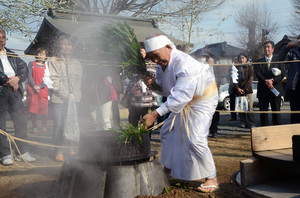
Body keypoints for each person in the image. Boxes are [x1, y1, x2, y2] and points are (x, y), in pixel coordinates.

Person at [141, 34, 219, 193]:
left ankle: (212, 177)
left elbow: (180, 96)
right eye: (151, 58)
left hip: (202, 99)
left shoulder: (184, 63)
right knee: (167, 131)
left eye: (156, 55)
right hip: (184, 99)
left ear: (169, 47)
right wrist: (153, 85)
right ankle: (169, 168)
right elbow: (169, 91)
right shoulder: (162, 64)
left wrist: (154, 114)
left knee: (195, 138)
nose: (155, 60)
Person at [0, 28, 36, 165]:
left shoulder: (11, 54)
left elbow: (24, 68)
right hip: (1, 90)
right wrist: (8, 80)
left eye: (3, 38)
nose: (2, 41)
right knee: (1, 124)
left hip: (15, 91)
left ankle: (22, 152)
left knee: (21, 121)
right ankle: (5, 154)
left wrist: (18, 78)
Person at [48, 35, 82, 162]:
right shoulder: (53, 60)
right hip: (58, 99)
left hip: (74, 99)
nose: (67, 47)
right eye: (64, 44)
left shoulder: (76, 62)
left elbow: (79, 80)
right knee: (59, 125)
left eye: (69, 44)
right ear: (59, 45)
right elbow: (54, 80)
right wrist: (65, 94)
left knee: (72, 124)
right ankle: (58, 150)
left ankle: (72, 148)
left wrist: (73, 95)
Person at [255, 41, 285, 126]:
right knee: (263, 114)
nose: (266, 49)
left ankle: (277, 131)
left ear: (272, 49)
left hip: (275, 89)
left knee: (276, 113)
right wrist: (266, 81)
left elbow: (282, 74)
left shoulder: (278, 61)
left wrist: (272, 80)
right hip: (263, 90)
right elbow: (258, 74)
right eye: (265, 47)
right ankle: (264, 131)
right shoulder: (258, 62)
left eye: (268, 47)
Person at [26, 47, 50, 133]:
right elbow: (29, 76)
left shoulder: (47, 65)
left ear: (46, 56)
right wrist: (34, 86)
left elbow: (47, 78)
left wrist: (40, 86)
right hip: (33, 90)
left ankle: (44, 126)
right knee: (33, 110)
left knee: (44, 109)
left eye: (43, 54)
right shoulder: (31, 63)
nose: (40, 55)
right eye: (39, 53)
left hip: (43, 90)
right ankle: (34, 127)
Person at [278, 34, 300, 124]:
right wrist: (286, 47)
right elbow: (280, 59)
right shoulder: (292, 52)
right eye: (298, 39)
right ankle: (295, 134)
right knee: (295, 112)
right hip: (294, 85)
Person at [236, 53, 255, 128]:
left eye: (243, 58)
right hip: (239, 90)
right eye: (240, 58)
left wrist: (244, 89)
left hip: (248, 90)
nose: (241, 60)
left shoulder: (250, 67)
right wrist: (238, 88)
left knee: (250, 107)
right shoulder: (236, 68)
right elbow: (235, 79)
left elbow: (250, 79)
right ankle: (243, 122)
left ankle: (251, 123)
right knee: (241, 107)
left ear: (246, 59)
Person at [229, 56, 238, 121]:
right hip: (232, 87)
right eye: (233, 59)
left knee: (239, 102)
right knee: (232, 103)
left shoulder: (239, 67)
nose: (234, 61)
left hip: (238, 86)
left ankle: (242, 118)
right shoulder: (230, 68)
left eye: (235, 59)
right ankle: (233, 116)